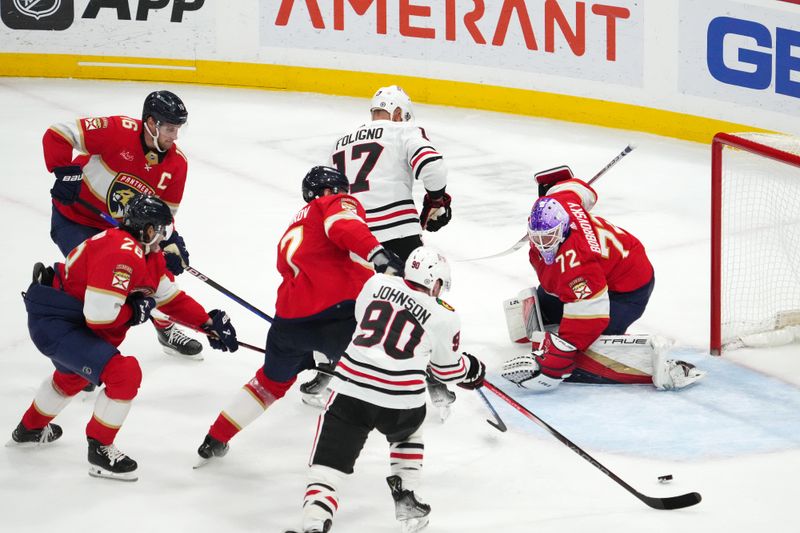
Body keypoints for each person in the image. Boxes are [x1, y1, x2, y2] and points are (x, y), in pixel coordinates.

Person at [9, 195, 238, 481]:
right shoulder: (121, 253)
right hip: (56, 321)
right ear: (148, 230)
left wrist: (207, 324)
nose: (165, 238)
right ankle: (100, 451)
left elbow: (170, 299)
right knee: (124, 373)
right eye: (162, 231)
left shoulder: (146, 255)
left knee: (74, 376)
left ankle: (29, 429)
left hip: (68, 317)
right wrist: (135, 310)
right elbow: (100, 317)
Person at [195, 166, 404, 463]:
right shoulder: (330, 203)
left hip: (290, 323)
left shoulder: (296, 227)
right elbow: (345, 226)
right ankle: (405, 453)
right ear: (333, 191)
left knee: (269, 382)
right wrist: (379, 256)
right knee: (382, 372)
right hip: (337, 316)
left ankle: (215, 438)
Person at [284, 247, 486, 533]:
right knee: (408, 432)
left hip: (351, 390)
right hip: (401, 401)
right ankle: (407, 497)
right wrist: (473, 368)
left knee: (328, 465)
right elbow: (446, 371)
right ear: (435, 281)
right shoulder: (445, 315)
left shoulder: (376, 283)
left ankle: (313, 523)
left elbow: (365, 320)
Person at [302, 85, 454, 413]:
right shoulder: (403, 130)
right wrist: (437, 198)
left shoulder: (341, 141)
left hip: (350, 233)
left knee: (349, 305)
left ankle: (327, 370)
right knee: (416, 303)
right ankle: (433, 377)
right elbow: (433, 166)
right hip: (397, 233)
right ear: (399, 113)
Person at [500, 169, 704, 391]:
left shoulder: (578, 261)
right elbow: (576, 189)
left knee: (587, 352)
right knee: (547, 305)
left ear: (563, 228)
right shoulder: (560, 202)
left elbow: (589, 318)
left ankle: (657, 367)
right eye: (536, 237)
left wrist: (558, 357)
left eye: (549, 237)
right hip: (606, 266)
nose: (542, 244)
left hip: (627, 290)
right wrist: (552, 187)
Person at [43, 90, 201, 361]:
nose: (175, 137)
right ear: (151, 123)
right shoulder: (118, 130)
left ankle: (166, 329)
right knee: (99, 280)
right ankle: (83, 353)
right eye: (170, 129)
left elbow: (165, 215)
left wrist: (170, 242)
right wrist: (64, 172)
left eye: (178, 130)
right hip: (75, 219)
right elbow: (58, 133)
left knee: (155, 273)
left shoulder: (177, 164)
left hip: (124, 230)